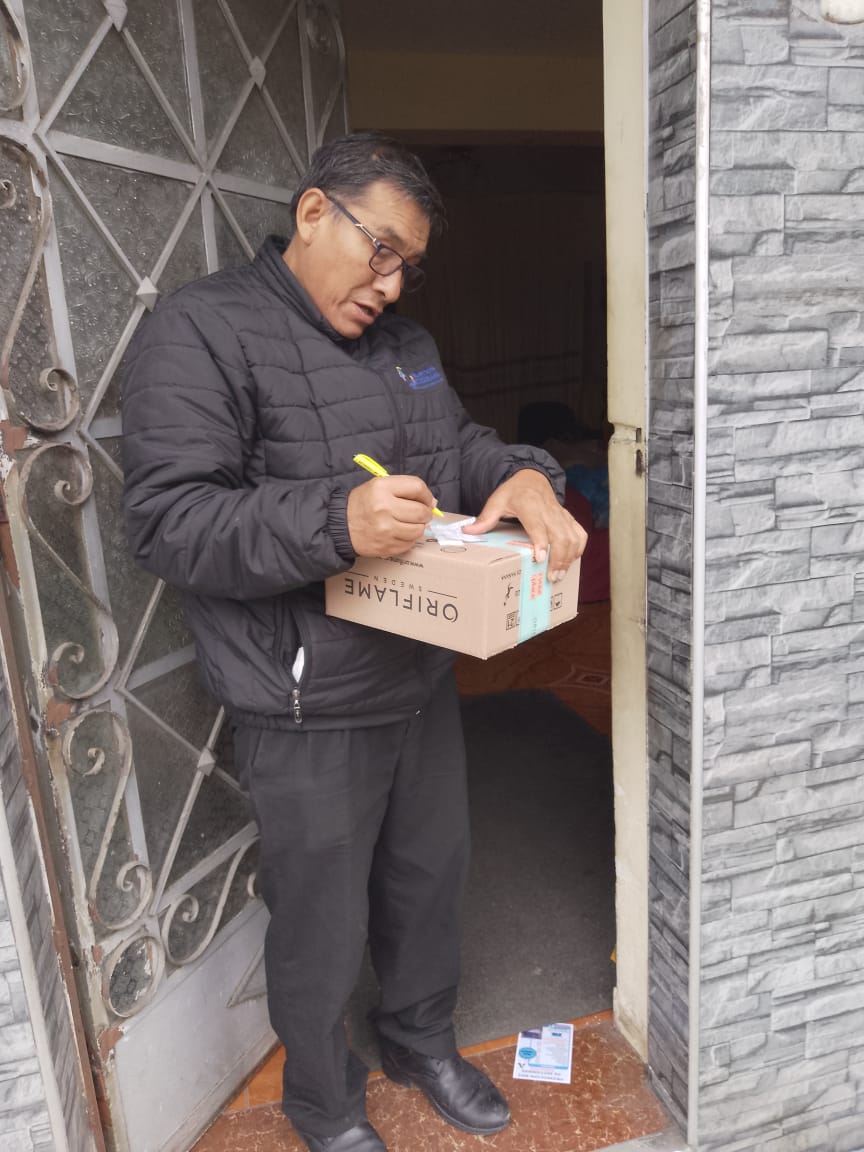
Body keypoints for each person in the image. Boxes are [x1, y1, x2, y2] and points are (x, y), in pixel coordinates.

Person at [122, 132, 586, 1152]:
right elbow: (168, 523)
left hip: (416, 675)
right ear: (312, 212)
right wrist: (338, 521)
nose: (390, 283)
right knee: (322, 923)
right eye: (380, 250)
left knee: (428, 883)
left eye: (408, 265)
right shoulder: (200, 333)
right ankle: (324, 1103)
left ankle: (420, 1042)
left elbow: (459, 450)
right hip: (303, 700)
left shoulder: (406, 347)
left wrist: (520, 473)